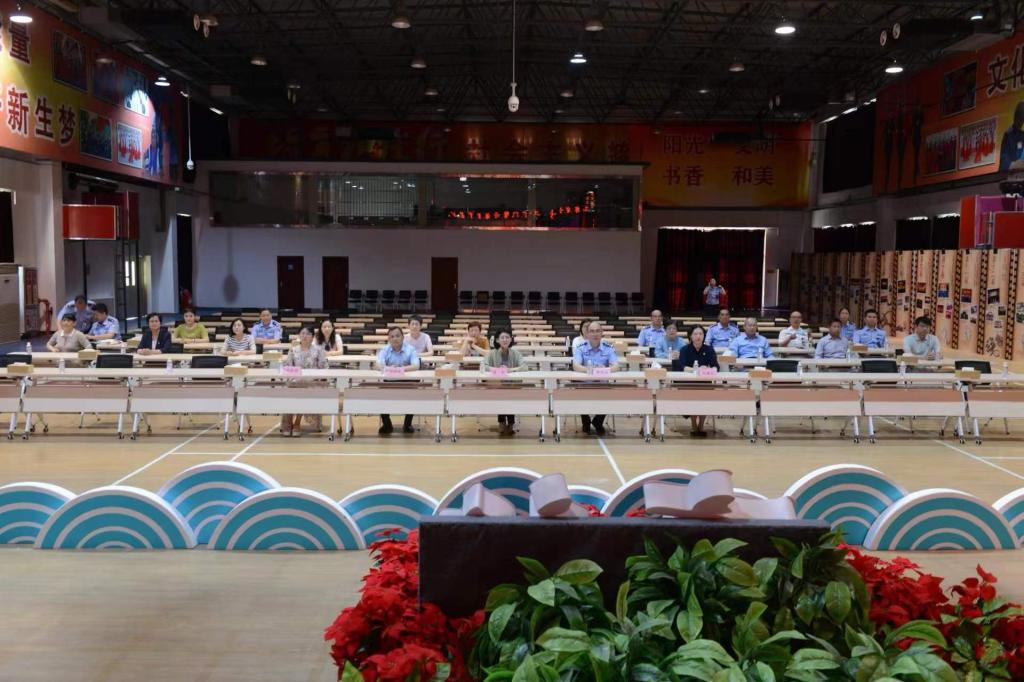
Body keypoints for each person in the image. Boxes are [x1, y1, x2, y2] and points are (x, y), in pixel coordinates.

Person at [571, 320, 622, 436]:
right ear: (587, 333)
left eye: (598, 331)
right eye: (592, 331)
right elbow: (576, 366)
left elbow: (616, 366)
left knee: (612, 394)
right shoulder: (580, 348)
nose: (595, 334)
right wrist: (590, 370)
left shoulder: (608, 348)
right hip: (585, 384)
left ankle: (598, 421)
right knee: (578, 393)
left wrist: (605, 370)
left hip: (602, 385)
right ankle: (585, 421)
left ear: (602, 332)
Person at [279, 326, 328, 437]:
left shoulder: (318, 350)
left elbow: (324, 368)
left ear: (312, 337)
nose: (305, 336)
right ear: (299, 336)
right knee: (290, 389)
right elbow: (287, 368)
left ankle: (297, 422)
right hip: (296, 381)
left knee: (303, 390)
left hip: (312, 382)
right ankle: (289, 422)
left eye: (308, 334)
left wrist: (315, 376)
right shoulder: (293, 350)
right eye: (303, 333)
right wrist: (295, 375)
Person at [481, 327, 528, 434]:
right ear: (497, 340)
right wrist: (499, 371)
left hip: (513, 385)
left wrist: (511, 370)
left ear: (511, 339)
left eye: (507, 337)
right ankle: (501, 422)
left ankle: (511, 423)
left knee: (510, 395)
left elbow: (525, 366)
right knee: (501, 394)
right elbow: (484, 366)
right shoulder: (492, 353)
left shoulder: (516, 353)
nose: (505, 340)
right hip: (497, 386)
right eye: (502, 337)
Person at [376, 326, 420, 435]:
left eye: (397, 336)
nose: (395, 338)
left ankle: (407, 424)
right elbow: (378, 365)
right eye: (392, 336)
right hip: (389, 381)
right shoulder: (385, 350)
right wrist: (389, 369)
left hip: (407, 381)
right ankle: (387, 424)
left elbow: (416, 365)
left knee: (414, 394)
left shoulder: (410, 349)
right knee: (380, 395)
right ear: (389, 339)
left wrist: (400, 369)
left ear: (403, 337)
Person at [676, 325, 718, 436]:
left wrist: (708, 369)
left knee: (706, 397)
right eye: (695, 334)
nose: (698, 336)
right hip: (688, 382)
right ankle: (694, 423)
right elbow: (682, 366)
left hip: (705, 381)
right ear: (690, 336)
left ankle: (701, 425)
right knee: (693, 396)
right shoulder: (685, 350)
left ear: (704, 336)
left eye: (701, 334)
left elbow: (715, 366)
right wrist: (696, 370)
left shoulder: (709, 349)